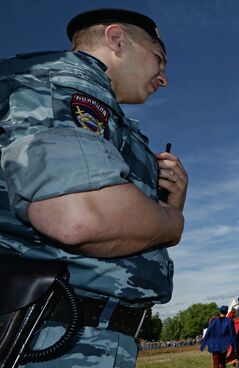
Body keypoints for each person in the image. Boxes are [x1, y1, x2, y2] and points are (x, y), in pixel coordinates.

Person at [0, 8, 187, 367]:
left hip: (72, 333)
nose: (163, 78)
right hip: (49, 335)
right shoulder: (62, 83)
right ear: (116, 40)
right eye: (158, 60)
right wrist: (173, 221)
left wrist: (168, 203)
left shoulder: (103, 109)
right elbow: (80, 216)